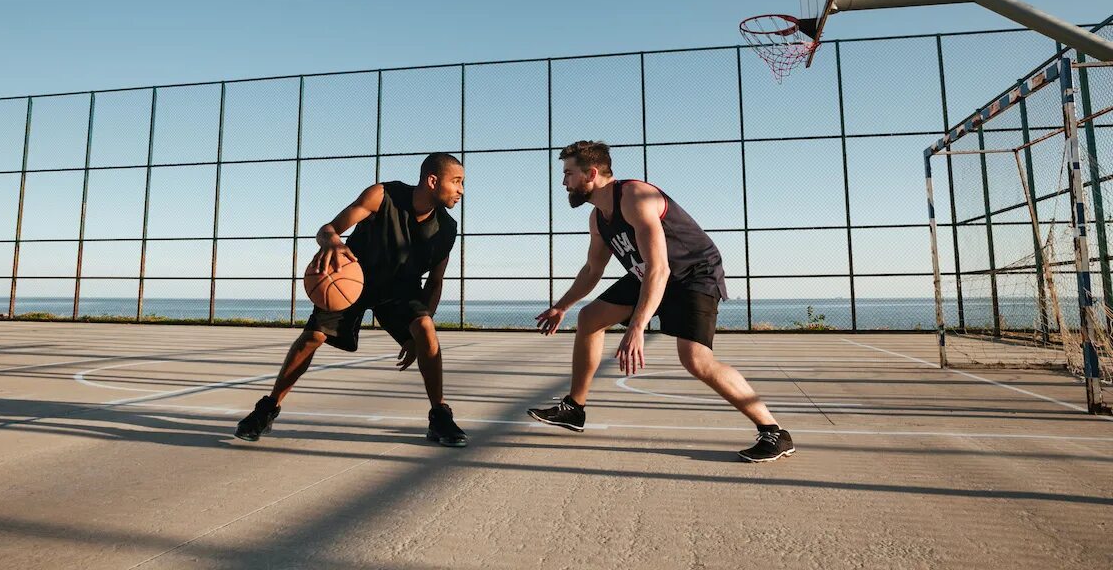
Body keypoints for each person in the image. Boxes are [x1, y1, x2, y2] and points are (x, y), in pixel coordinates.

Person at [527, 141, 794, 462]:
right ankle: (574, 409)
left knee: (696, 360)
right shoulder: (598, 218)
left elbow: (660, 267)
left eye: (569, 174)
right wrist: (562, 305)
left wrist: (637, 326)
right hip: (651, 273)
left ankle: (774, 432)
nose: (564, 182)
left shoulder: (636, 197)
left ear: (591, 174)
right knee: (589, 318)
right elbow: (592, 269)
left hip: (692, 273)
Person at [236, 152, 469, 447]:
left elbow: (435, 282)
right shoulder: (381, 195)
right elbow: (328, 230)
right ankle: (267, 408)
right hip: (354, 279)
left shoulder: (447, 229)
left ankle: (440, 415)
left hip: (400, 291)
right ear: (433, 180)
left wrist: (416, 336)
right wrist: (333, 242)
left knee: (425, 329)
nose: (461, 190)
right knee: (313, 337)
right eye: (457, 182)